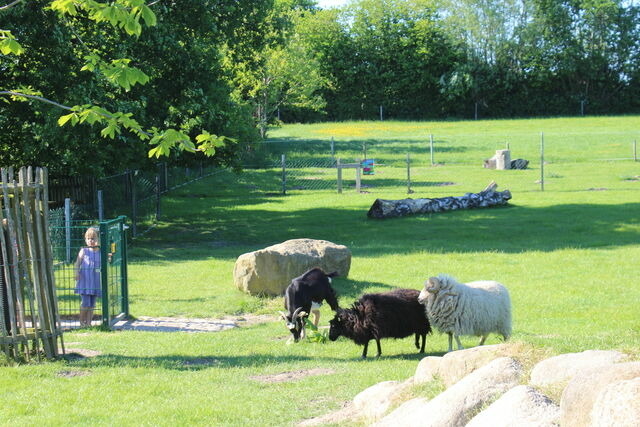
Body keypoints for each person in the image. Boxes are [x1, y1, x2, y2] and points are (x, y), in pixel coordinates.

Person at [74, 227, 102, 327]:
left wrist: (109, 257)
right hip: (85, 282)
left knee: (92, 304)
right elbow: (77, 263)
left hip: (95, 282)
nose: (91, 241)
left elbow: (107, 262)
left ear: (98, 239)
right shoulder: (84, 251)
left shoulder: (101, 252)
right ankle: (82, 322)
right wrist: (76, 273)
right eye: (88, 239)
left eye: (93, 238)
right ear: (85, 240)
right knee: (85, 303)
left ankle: (89, 323)